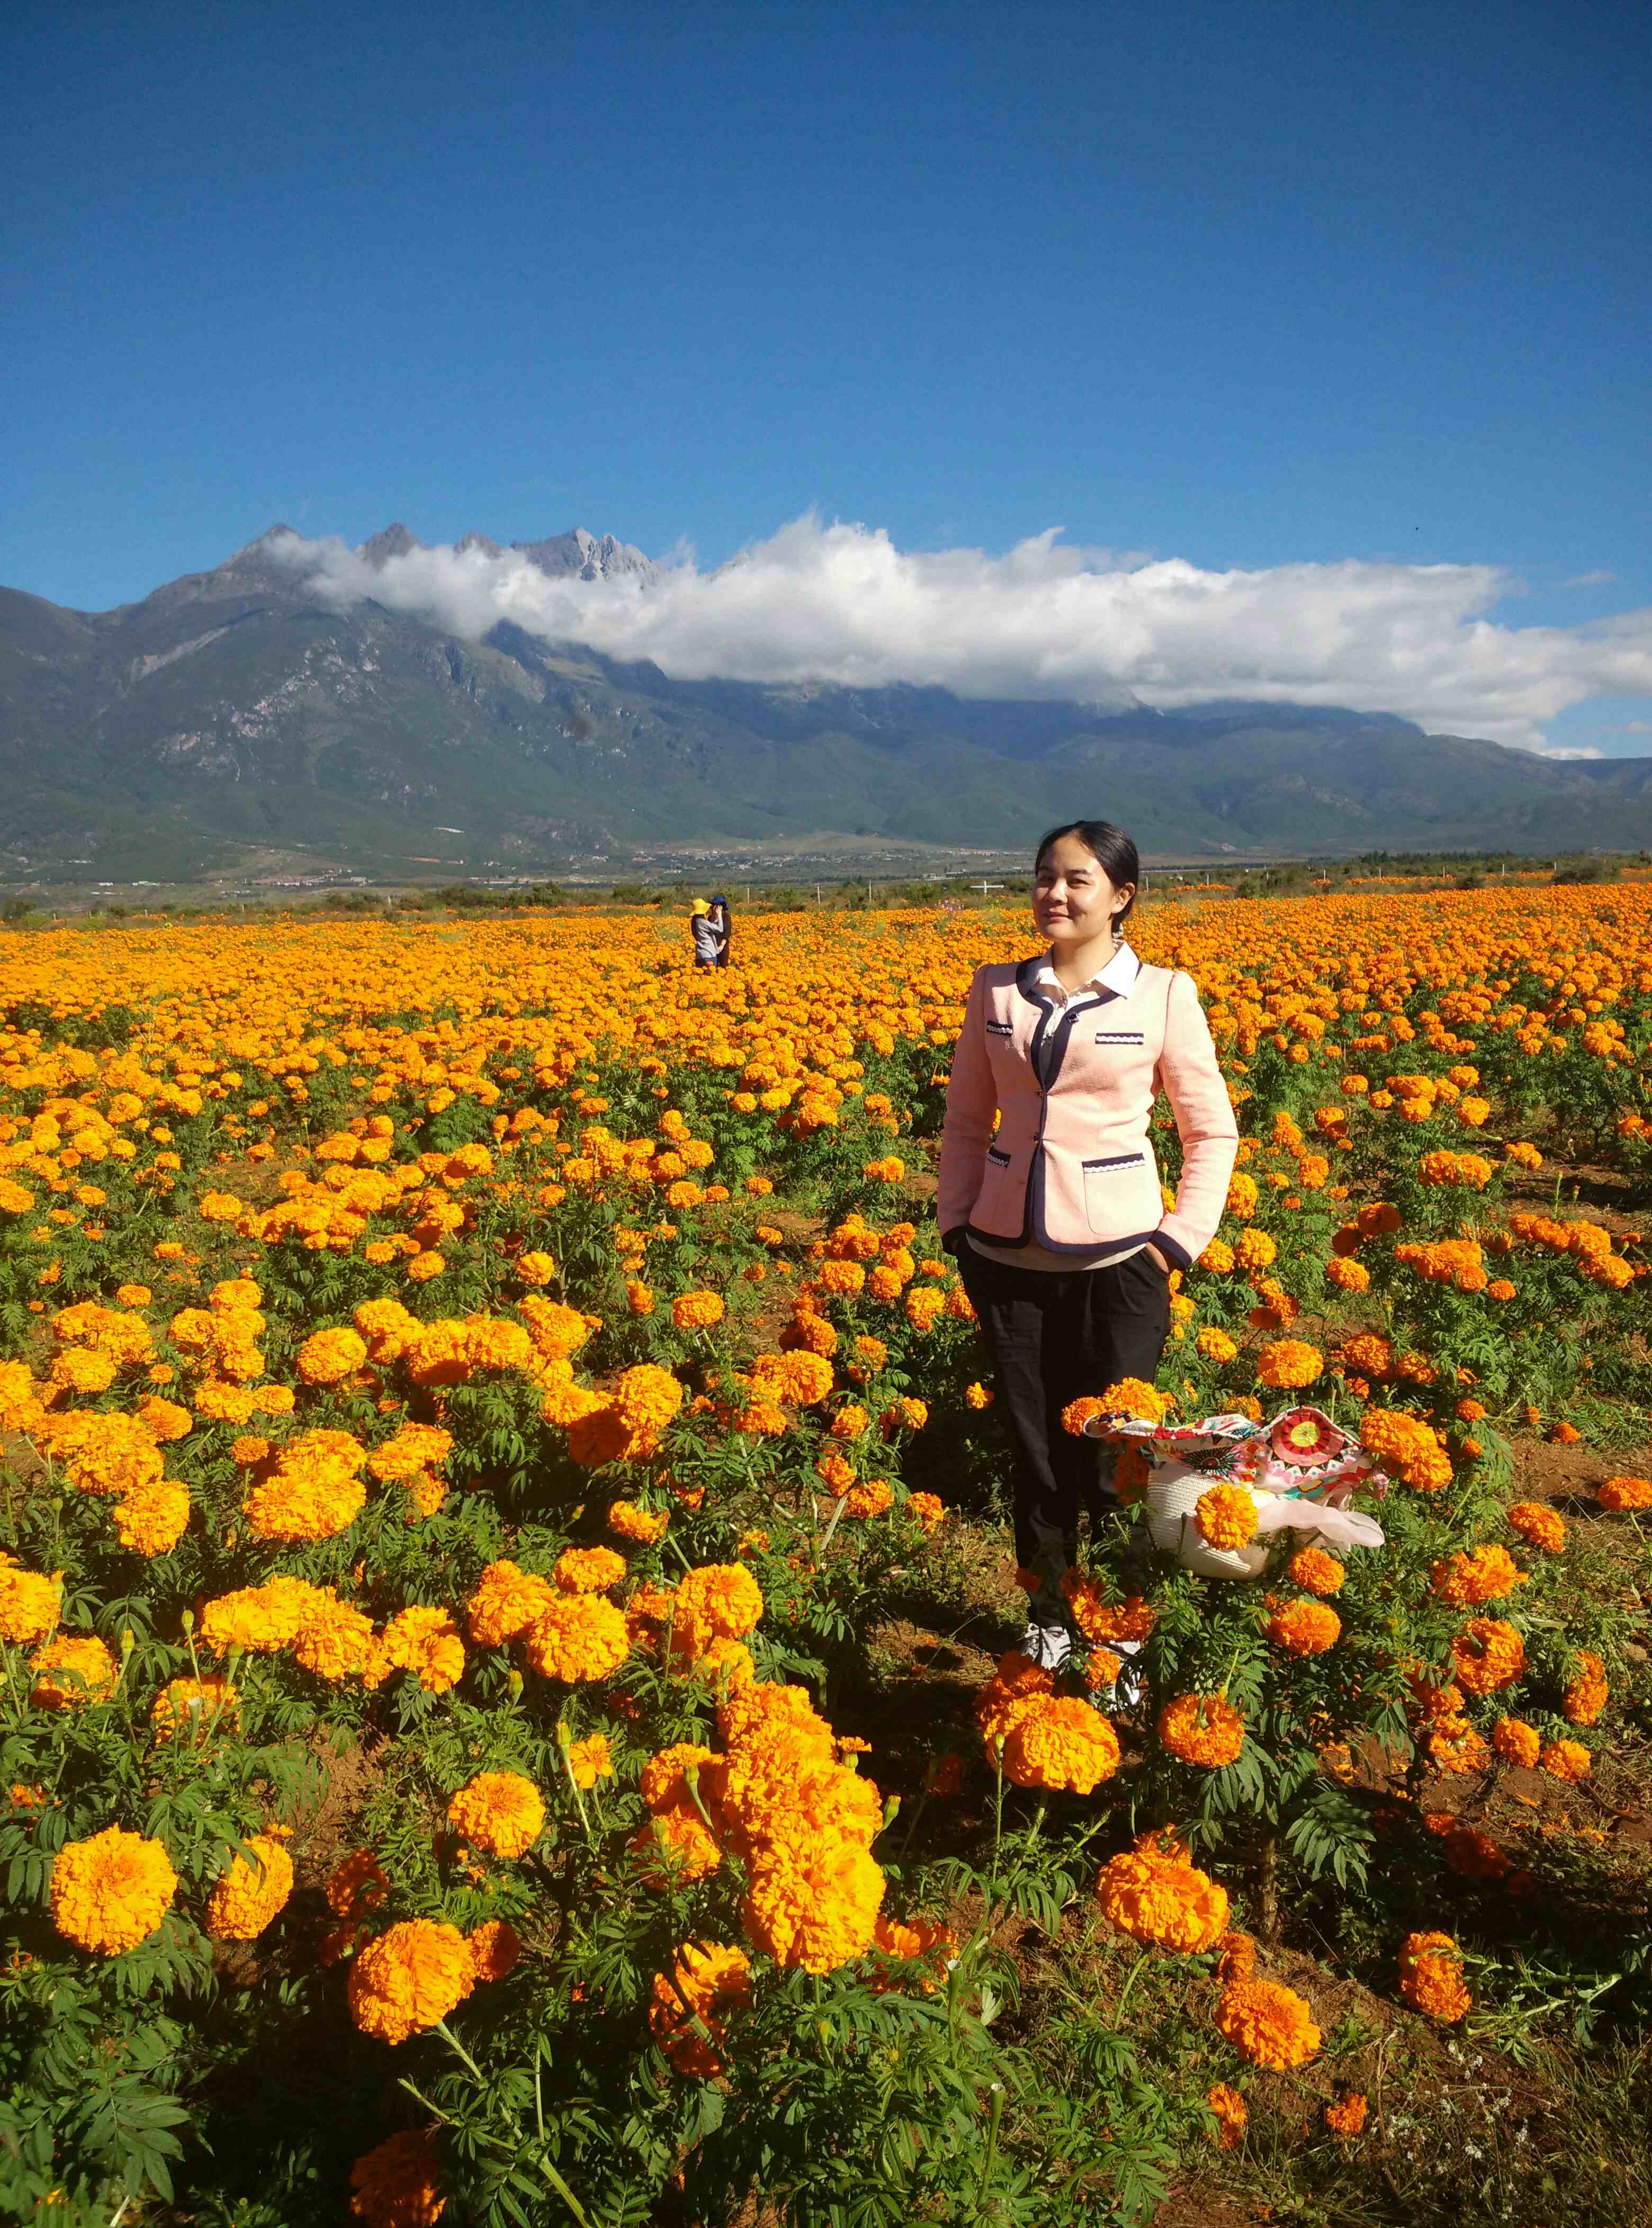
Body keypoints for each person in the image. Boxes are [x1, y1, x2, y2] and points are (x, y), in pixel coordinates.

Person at [937, 819, 1238, 1672]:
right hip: (1006, 1259)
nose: (1055, 895)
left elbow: (1211, 1133)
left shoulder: (1164, 995)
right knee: (1035, 1454)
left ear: (1122, 896)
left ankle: (1120, 1632)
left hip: (1122, 1266)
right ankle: (1048, 1615)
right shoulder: (996, 991)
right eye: (1044, 877)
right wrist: (957, 1224)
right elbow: (964, 1120)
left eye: (1076, 880)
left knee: (1118, 1459)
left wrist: (1176, 1243)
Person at [689, 897, 720, 972]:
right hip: (708, 954)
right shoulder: (702, 921)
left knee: (702, 978)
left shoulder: (695, 921)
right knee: (710, 977)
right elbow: (719, 929)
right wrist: (719, 916)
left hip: (700, 954)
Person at [707, 892, 733, 968]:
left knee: (723, 967)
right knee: (712, 968)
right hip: (712, 947)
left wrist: (721, 946)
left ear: (722, 908)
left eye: (718, 906)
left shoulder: (726, 918)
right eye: (714, 906)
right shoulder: (709, 918)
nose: (716, 908)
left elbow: (727, 933)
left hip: (723, 946)